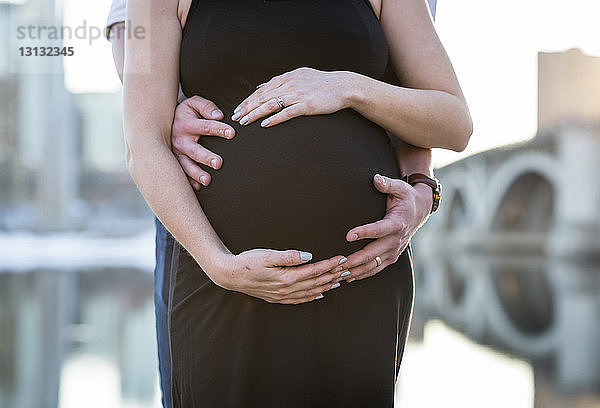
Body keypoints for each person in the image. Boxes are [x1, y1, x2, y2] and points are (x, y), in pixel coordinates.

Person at [119, 0, 470, 406]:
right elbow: (143, 142)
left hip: (357, 281)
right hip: (224, 284)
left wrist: (348, 87)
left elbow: (454, 122)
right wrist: (219, 264)